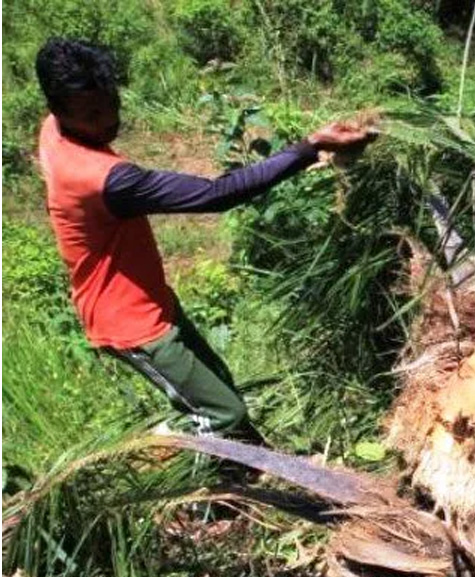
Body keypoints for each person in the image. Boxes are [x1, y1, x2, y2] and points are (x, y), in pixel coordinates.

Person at [34, 38, 375, 445]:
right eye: (92, 114)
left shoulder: (54, 130)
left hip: (149, 298)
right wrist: (310, 147)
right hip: (132, 325)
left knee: (220, 387)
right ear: (60, 110)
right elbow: (217, 195)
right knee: (222, 413)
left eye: (111, 101)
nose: (108, 119)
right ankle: (190, 492)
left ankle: (243, 471)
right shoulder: (104, 179)